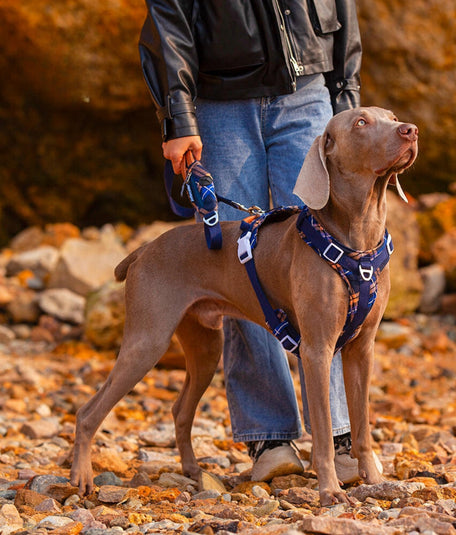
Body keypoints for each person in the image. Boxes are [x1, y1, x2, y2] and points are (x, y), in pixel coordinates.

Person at [139, 0, 364, 484]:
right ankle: (271, 436)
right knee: (237, 268)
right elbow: (168, 17)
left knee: (331, 258)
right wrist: (179, 117)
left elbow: (343, 8)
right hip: (218, 103)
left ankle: (341, 438)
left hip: (308, 93)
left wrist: (348, 102)